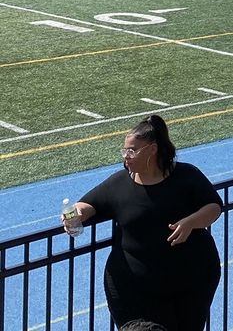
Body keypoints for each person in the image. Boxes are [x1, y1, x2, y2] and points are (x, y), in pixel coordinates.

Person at [63, 115, 223, 331]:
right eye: (124, 151)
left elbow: (214, 206)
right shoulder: (119, 183)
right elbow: (89, 205)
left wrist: (190, 222)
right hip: (133, 291)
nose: (126, 156)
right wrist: (75, 214)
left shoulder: (186, 176)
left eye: (132, 150)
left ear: (152, 149)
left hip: (190, 282)